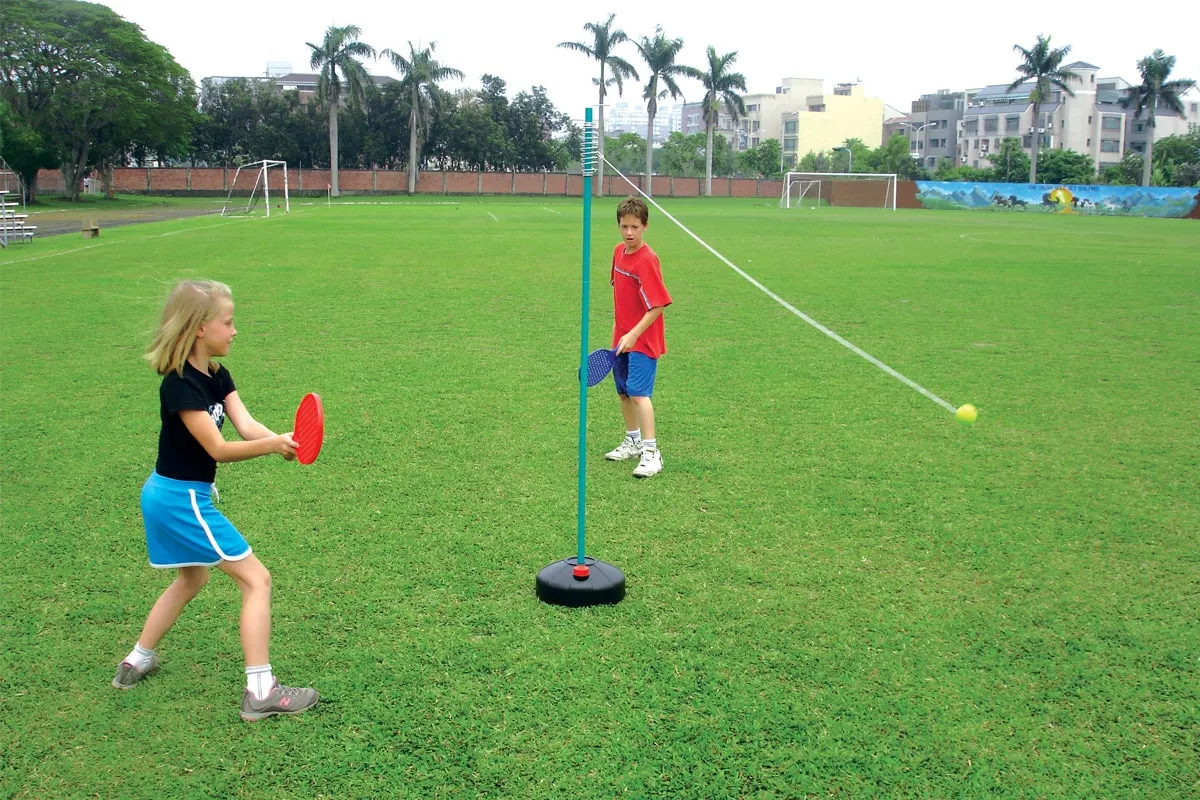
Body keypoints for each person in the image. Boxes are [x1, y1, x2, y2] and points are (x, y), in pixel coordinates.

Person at [113, 279, 318, 721]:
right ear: (200, 327)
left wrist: (288, 440)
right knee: (256, 580)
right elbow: (219, 450)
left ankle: (137, 659)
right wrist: (272, 447)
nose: (235, 330)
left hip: (171, 494)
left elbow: (244, 426)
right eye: (228, 322)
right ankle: (261, 690)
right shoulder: (179, 386)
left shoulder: (217, 376)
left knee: (192, 579)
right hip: (179, 499)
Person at [605, 197, 673, 478]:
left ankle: (651, 452)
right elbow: (620, 298)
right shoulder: (618, 252)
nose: (629, 232)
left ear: (645, 226)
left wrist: (633, 334)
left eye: (635, 226)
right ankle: (632, 440)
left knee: (638, 393)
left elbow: (657, 304)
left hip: (643, 340)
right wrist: (617, 333)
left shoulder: (647, 260)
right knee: (623, 391)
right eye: (624, 226)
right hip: (622, 337)